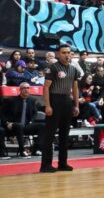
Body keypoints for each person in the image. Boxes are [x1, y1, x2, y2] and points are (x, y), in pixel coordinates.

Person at [40, 44, 79, 173]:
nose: (67, 55)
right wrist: (47, 105)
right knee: (50, 134)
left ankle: (63, 163)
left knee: (64, 134)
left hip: (67, 101)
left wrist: (76, 104)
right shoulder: (52, 68)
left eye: (68, 52)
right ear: (58, 54)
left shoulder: (74, 69)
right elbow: (45, 88)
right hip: (54, 100)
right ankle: (45, 165)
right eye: (63, 52)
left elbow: (75, 88)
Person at [3, 82, 43, 157]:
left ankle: (36, 149)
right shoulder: (10, 100)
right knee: (19, 125)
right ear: (20, 90)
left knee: (43, 126)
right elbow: (2, 113)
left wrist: (31, 121)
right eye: (24, 88)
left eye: (28, 88)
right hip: (13, 125)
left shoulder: (32, 100)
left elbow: (35, 113)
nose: (26, 90)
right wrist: (7, 123)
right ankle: (22, 150)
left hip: (26, 125)